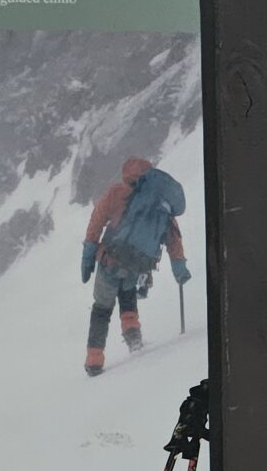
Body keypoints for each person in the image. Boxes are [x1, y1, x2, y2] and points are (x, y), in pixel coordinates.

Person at [81, 156, 191, 376]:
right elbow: (173, 238)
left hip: (110, 262)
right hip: (137, 267)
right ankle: (134, 341)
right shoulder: (161, 203)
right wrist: (178, 265)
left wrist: (88, 253)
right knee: (128, 298)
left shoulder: (116, 193)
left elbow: (96, 221)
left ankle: (94, 359)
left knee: (102, 309)